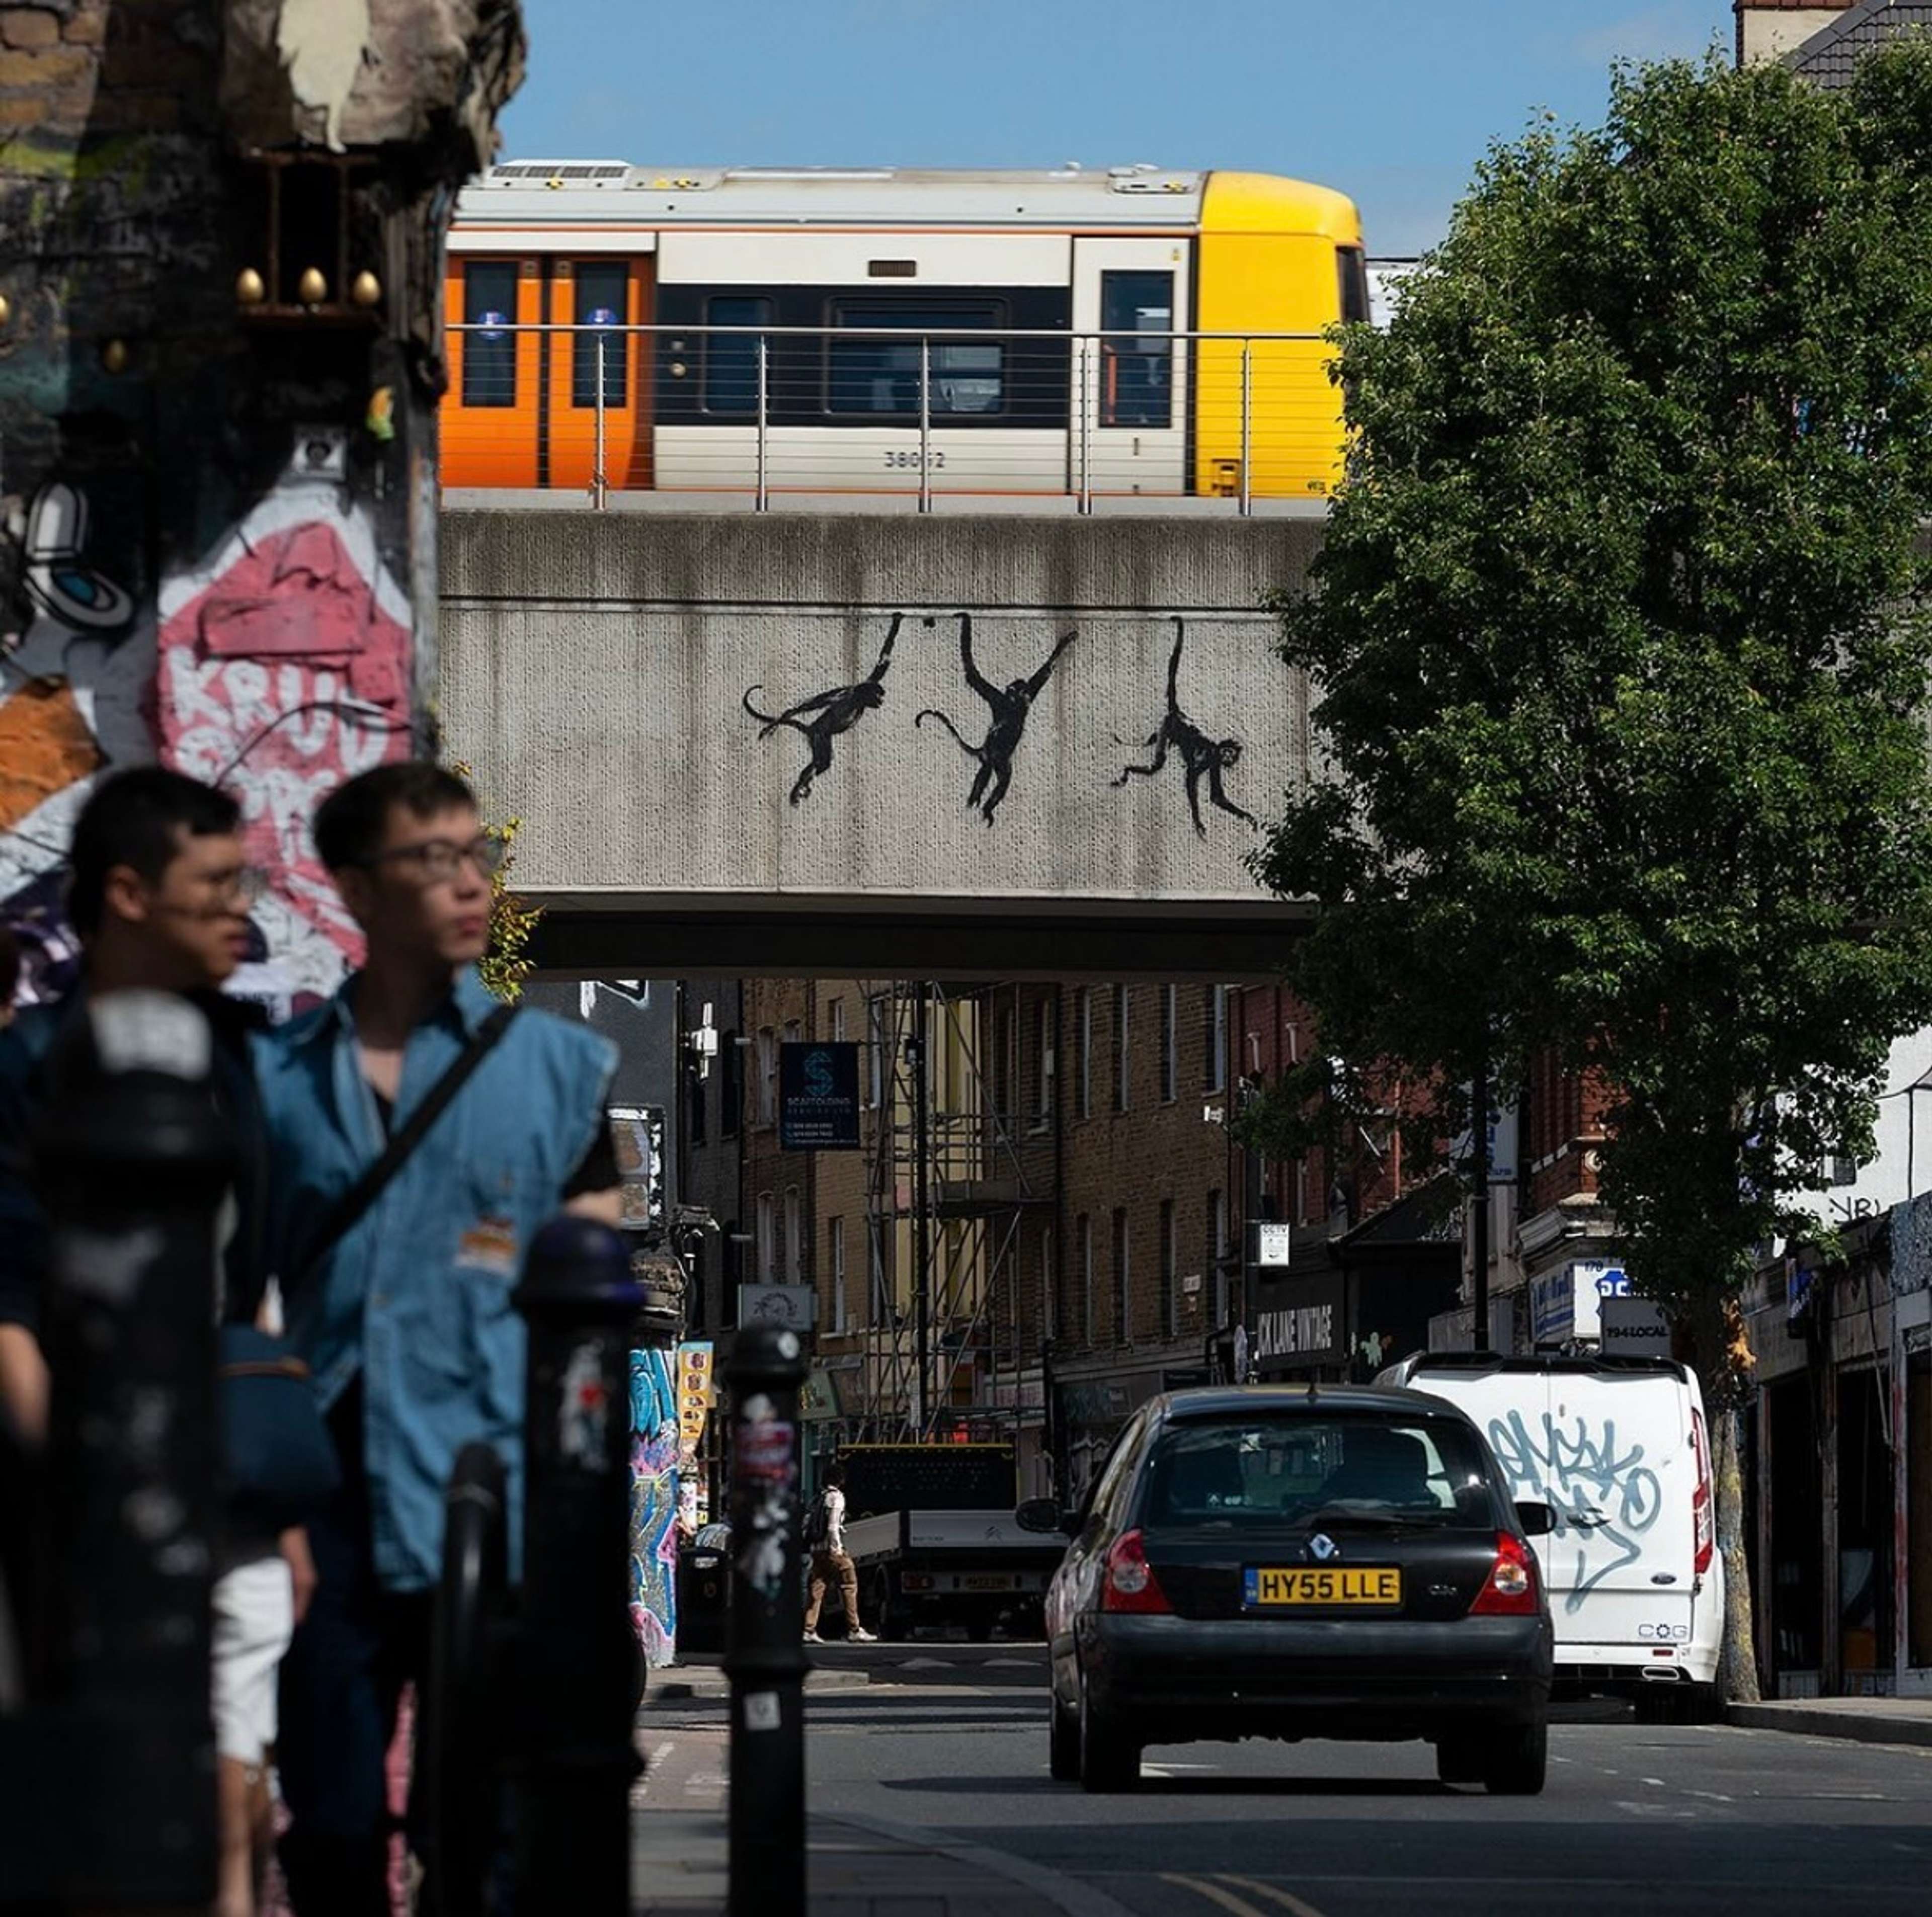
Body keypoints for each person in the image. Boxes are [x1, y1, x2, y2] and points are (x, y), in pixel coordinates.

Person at [257, 762, 620, 1915]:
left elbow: (591, 1324)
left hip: (499, 1487)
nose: (471, 884)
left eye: (480, 857)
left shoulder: (560, 1075)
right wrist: (267, 1510)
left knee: (491, 1831)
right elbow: (229, 1300)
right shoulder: (274, 1081)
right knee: (332, 1821)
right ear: (357, 889)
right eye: (435, 860)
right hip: (328, 1499)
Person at [0, 767, 313, 1917]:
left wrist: (271, 1498)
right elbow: (8, 1301)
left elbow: (250, 1283)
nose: (246, 909)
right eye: (216, 884)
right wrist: (80, 1486)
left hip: (222, 1477)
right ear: (127, 893)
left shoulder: (238, 1064)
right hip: (75, 1504)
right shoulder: (32, 1067)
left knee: (235, 1788)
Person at [802, 1461, 876, 1644]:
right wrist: (838, 1549)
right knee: (850, 1585)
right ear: (841, 1480)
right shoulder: (837, 1498)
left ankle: (808, 1629)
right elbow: (833, 1526)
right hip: (832, 1550)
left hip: (817, 1550)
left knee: (817, 1588)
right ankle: (854, 1629)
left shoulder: (818, 1498)